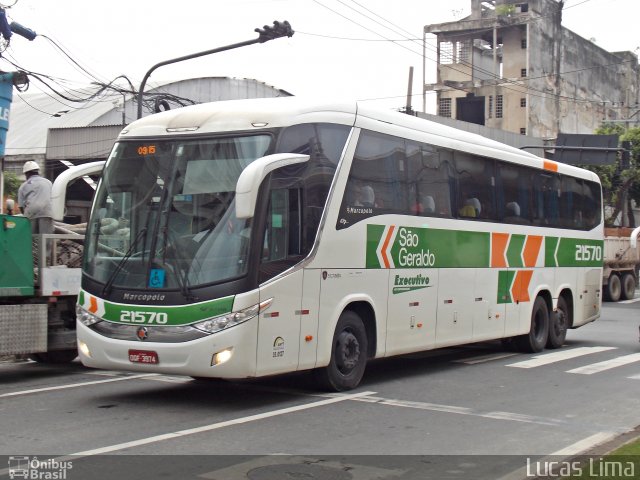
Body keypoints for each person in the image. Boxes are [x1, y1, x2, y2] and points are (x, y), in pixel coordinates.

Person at [17, 160, 54, 234]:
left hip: (31, 212)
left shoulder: (24, 186)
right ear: (37, 171)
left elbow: (21, 206)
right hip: (47, 212)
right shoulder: (48, 182)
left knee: (30, 239)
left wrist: (26, 217)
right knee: (46, 239)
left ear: (27, 173)